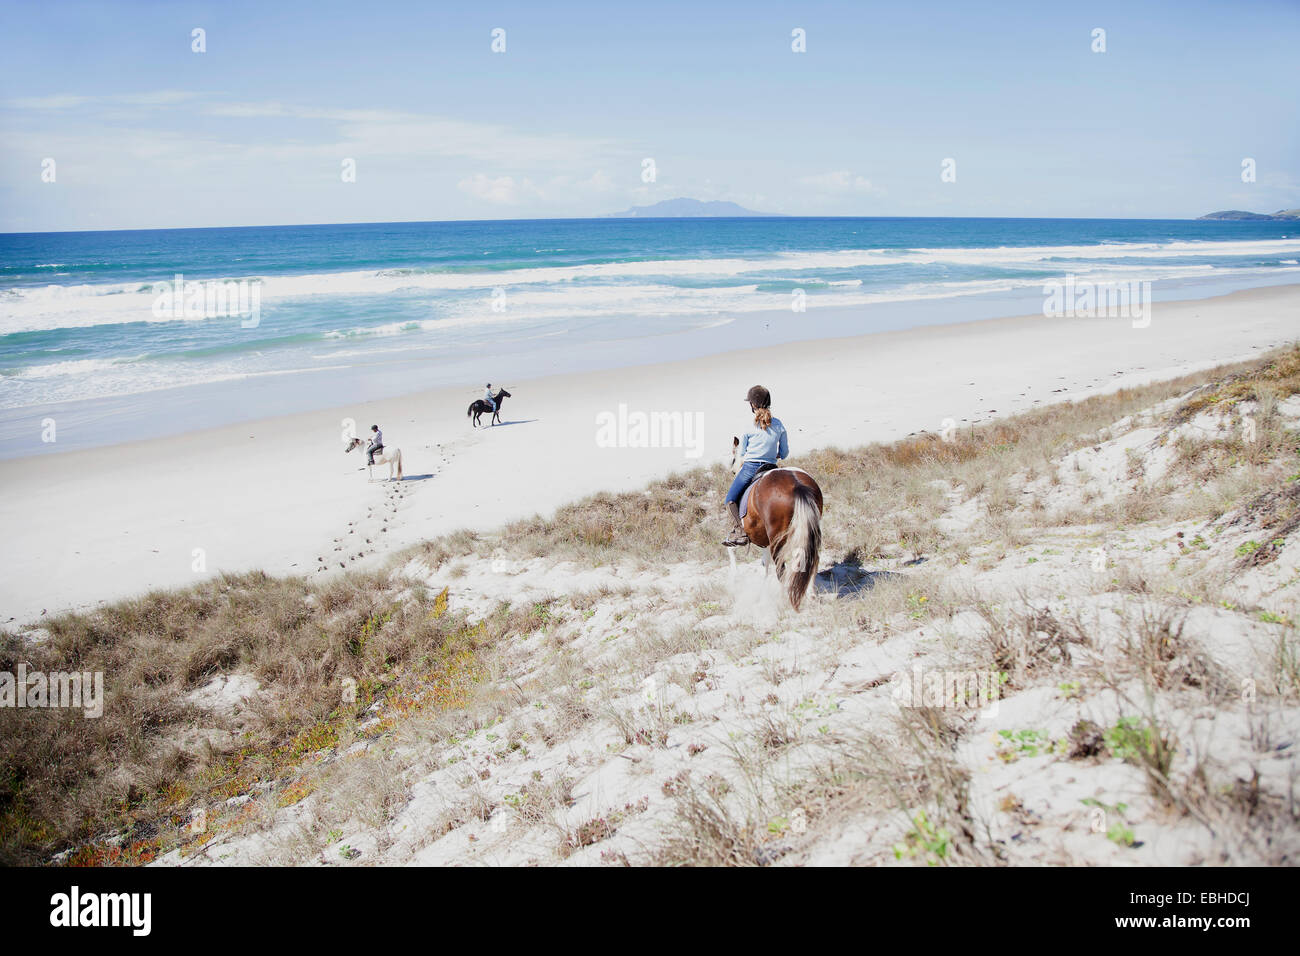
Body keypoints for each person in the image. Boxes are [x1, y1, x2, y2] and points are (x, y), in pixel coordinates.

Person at [724, 385, 789, 547]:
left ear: (752, 405)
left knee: (730, 499)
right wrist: (773, 453)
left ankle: (739, 531)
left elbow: (742, 452)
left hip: (751, 467)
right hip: (772, 467)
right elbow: (785, 452)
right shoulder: (779, 424)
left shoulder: (748, 425)